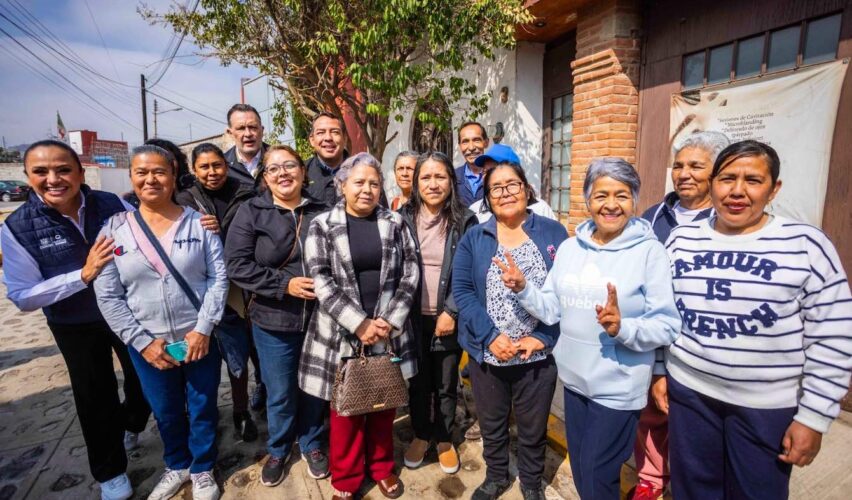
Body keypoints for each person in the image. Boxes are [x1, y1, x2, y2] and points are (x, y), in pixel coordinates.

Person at [660, 140, 852, 499]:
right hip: (689, 394)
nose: (737, 191)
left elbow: (833, 336)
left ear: (773, 189)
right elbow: (663, 311)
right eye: (727, 178)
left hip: (766, 408)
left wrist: (814, 417)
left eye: (752, 180)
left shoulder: (805, 245)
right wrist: (660, 371)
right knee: (691, 490)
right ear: (712, 184)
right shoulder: (682, 239)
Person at [500, 158, 681, 499]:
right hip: (574, 382)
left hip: (618, 388)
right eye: (601, 195)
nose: (611, 204)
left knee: (598, 475)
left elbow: (667, 325)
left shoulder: (650, 252)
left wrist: (622, 328)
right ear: (587, 200)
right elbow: (551, 308)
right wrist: (523, 288)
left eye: (621, 195)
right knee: (584, 472)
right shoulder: (570, 248)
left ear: (634, 199)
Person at [1, 140, 151, 500]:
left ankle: (130, 421)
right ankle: (110, 471)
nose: (53, 179)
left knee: (145, 380)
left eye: (63, 169)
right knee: (94, 395)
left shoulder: (111, 204)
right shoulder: (16, 228)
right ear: (28, 176)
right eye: (41, 172)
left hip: (126, 311)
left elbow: (146, 235)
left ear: (80, 173)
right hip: (75, 323)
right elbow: (23, 295)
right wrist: (82, 275)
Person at [94, 145, 228, 500]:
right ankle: (177, 464)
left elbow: (218, 279)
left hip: (198, 338)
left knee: (202, 407)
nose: (150, 179)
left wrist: (203, 329)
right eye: (142, 172)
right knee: (165, 410)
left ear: (173, 176)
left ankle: (202, 467)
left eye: (159, 172)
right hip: (149, 343)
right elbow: (108, 296)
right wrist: (142, 342)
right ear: (131, 177)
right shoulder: (113, 231)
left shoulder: (199, 223)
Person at [299, 152, 419, 499]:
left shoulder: (395, 222)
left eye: (374, 183)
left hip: (387, 331)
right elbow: (320, 279)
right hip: (340, 332)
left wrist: (389, 321)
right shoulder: (322, 224)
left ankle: (381, 467)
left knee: (383, 404)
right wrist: (359, 323)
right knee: (346, 410)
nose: (367, 189)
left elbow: (411, 272)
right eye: (359, 182)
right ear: (342, 185)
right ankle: (347, 478)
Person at [452, 161, 567, 500]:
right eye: (496, 188)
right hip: (489, 353)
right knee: (493, 424)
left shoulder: (553, 233)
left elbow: (565, 293)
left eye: (512, 184)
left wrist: (543, 337)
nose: (505, 193)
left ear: (526, 189)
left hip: (537, 355)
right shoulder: (475, 237)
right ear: (487, 198)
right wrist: (490, 337)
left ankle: (531, 482)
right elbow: (463, 291)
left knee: (533, 427)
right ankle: (496, 476)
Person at [225, 145, 331, 486]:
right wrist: (284, 285)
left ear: (303, 171)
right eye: (274, 168)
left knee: (315, 387)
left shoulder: (322, 210)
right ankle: (280, 447)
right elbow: (237, 265)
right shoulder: (251, 212)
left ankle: (312, 442)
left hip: (321, 319)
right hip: (273, 320)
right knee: (281, 391)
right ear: (265, 178)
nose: (283, 173)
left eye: (289, 165)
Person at [632, 130, 729, 500]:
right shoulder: (653, 217)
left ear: (716, 172)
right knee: (652, 414)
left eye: (696, 166)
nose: (684, 173)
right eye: (678, 165)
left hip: (703, 343)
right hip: (655, 337)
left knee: (697, 425)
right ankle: (651, 478)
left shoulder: (727, 219)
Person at [399, 152, 478, 474]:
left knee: (446, 384)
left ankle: (444, 438)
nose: (433, 184)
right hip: (411, 317)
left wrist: (452, 311)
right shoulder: (402, 217)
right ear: (417, 182)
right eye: (426, 177)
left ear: (451, 181)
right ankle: (421, 434)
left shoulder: (465, 220)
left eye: (440, 177)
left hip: (447, 316)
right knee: (418, 382)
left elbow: (472, 271)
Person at [176, 143, 258, 443]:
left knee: (241, 354)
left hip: (240, 289)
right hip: (200, 291)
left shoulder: (245, 192)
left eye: (217, 165)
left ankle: (241, 411)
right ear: (194, 170)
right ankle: (204, 416)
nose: (212, 172)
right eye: (204, 167)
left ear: (226, 164)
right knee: (201, 360)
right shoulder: (184, 200)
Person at [468, 144, 557, 223]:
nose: (487, 177)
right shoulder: (475, 211)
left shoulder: (540, 209)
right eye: (484, 172)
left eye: (493, 171)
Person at [123, 138, 194, 208]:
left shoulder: (193, 193)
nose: (150, 180)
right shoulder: (129, 204)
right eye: (142, 172)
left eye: (168, 159)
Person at [304, 112, 348, 205]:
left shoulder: (362, 171)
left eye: (335, 132)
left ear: (345, 138)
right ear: (312, 140)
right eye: (321, 132)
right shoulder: (301, 173)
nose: (328, 138)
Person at [224, 103, 269, 185]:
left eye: (253, 127)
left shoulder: (279, 159)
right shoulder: (223, 165)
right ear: (230, 133)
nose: (248, 134)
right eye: (241, 128)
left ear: (262, 130)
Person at [454, 121, 490, 207]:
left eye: (476, 140)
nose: (471, 147)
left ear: (486, 143)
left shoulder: (498, 175)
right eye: (465, 141)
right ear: (460, 146)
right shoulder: (453, 177)